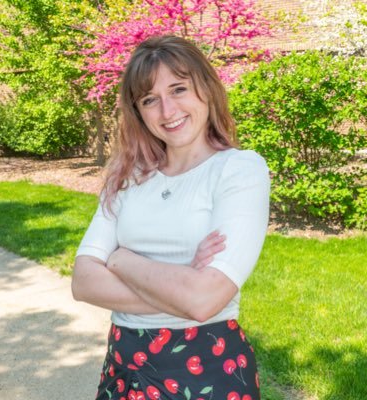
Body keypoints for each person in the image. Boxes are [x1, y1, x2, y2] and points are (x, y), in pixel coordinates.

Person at [72, 35, 270, 400]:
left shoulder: (239, 170)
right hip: (123, 367)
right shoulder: (128, 176)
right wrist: (180, 284)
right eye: (150, 99)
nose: (167, 110)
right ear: (138, 111)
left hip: (208, 367)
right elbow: (83, 282)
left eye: (178, 89)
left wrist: (120, 259)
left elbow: (203, 300)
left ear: (206, 91)